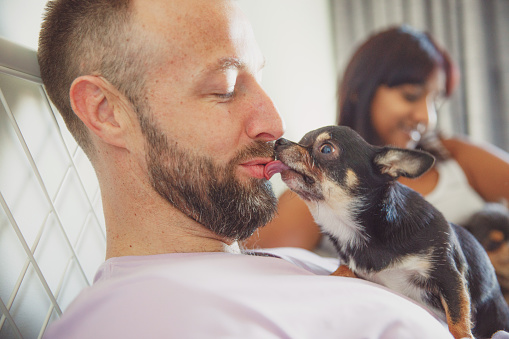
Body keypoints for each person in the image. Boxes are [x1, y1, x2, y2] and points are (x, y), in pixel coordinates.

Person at [38, 2, 464, 337]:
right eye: (224, 89)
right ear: (107, 112)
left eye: (259, 80)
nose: (276, 125)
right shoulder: (143, 319)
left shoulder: (292, 261)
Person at [244, 25, 509, 257]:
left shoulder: (454, 154)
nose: (426, 118)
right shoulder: (312, 186)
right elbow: (262, 273)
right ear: (361, 91)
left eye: (435, 101)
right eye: (411, 95)